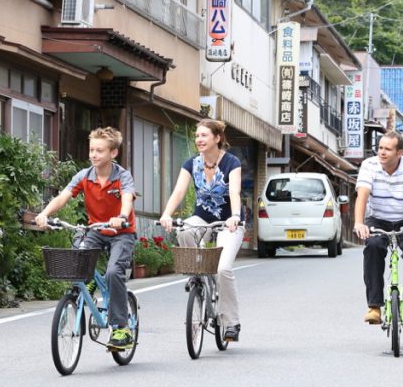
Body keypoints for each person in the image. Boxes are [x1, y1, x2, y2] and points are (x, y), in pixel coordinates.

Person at [35, 127, 137, 348]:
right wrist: (44, 214)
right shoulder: (84, 176)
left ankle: (121, 328)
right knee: (77, 261)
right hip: (96, 230)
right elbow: (63, 196)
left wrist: (121, 216)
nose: (93, 155)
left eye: (99, 150)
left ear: (113, 153)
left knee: (113, 272)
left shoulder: (122, 176)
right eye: (91, 150)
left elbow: (127, 198)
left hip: (122, 232)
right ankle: (87, 283)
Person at [160, 119, 245, 342]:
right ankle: (198, 274)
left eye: (204, 135)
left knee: (223, 269)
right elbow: (179, 191)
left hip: (229, 221)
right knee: (184, 230)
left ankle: (231, 323)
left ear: (217, 138)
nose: (199, 139)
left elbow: (235, 192)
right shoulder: (191, 163)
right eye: (197, 135)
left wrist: (235, 216)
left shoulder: (231, 162)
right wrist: (167, 214)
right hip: (203, 218)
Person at [353, 130, 403, 324]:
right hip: (378, 219)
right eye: (380, 148)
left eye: (387, 149)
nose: (382, 152)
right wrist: (359, 222)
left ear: (399, 153)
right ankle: (374, 307)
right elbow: (362, 195)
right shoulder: (369, 165)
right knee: (372, 247)